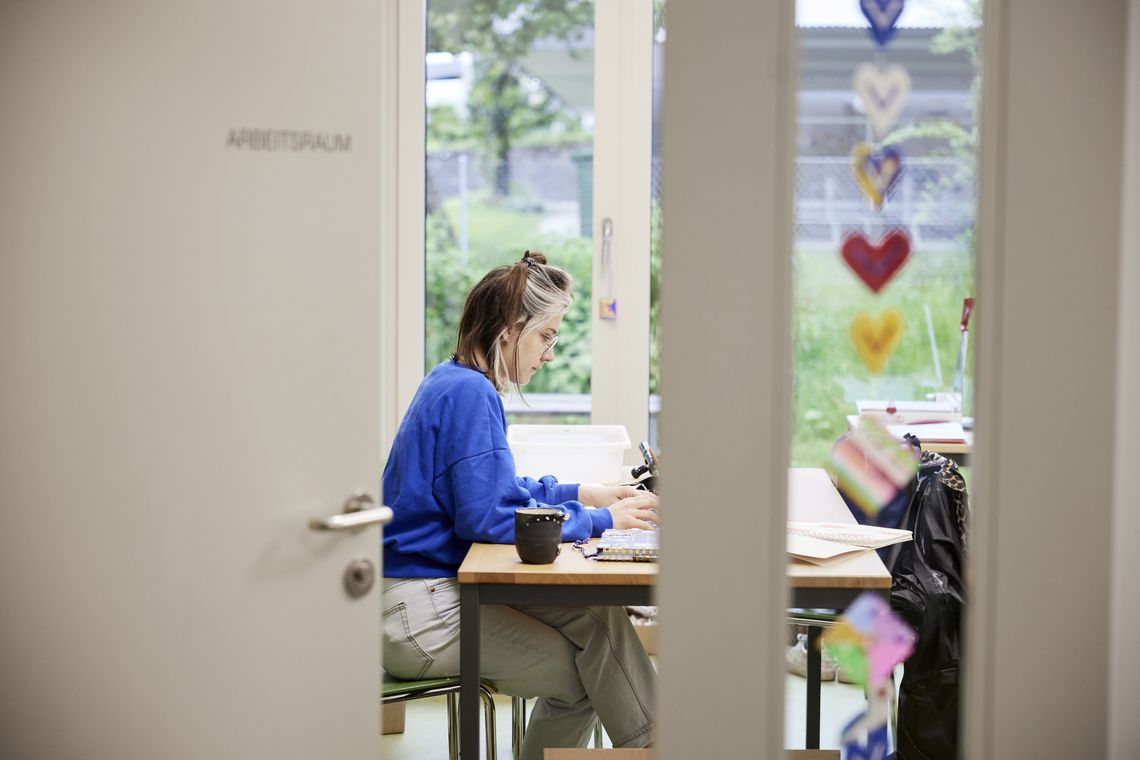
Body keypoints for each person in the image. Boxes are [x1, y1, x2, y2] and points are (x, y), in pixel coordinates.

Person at [381, 250, 658, 759]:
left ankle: (655, 743)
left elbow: (494, 489)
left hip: (425, 594)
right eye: (546, 336)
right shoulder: (470, 394)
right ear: (510, 329)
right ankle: (656, 744)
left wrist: (582, 494)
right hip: (422, 612)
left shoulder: (453, 380)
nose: (550, 353)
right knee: (586, 679)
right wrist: (600, 520)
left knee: (597, 614)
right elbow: (486, 517)